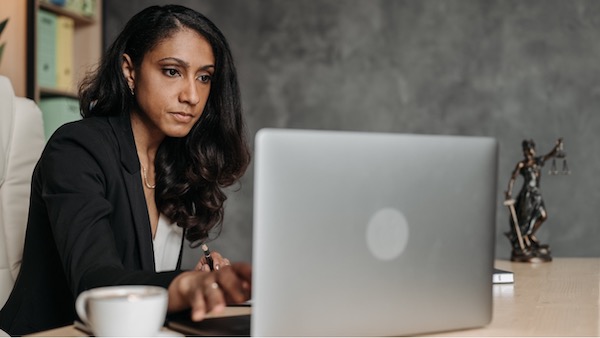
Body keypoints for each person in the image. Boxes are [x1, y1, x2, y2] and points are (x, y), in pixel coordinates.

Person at [0, 5, 252, 335]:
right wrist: (184, 286)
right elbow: (97, 282)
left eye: (204, 77)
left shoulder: (175, 164)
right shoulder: (76, 148)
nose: (192, 95)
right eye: (172, 71)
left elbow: (137, 275)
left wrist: (203, 281)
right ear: (130, 71)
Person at [504, 138, 563, 262]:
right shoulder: (522, 165)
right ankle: (524, 238)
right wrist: (509, 192)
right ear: (524, 151)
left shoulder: (537, 162)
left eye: (531, 150)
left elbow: (549, 155)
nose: (530, 153)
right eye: (527, 150)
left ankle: (529, 234)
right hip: (527, 194)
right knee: (525, 219)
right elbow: (513, 178)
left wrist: (557, 147)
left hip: (537, 194)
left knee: (543, 215)